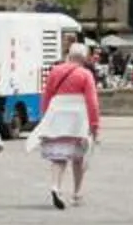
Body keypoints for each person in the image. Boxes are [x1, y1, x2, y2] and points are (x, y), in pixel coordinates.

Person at [34, 40, 102, 209]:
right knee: (79, 157)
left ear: (69, 55)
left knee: (59, 155)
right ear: (84, 58)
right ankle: (77, 193)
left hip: (57, 115)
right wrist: (94, 124)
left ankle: (55, 186)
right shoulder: (85, 74)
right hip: (77, 118)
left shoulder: (55, 71)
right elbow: (92, 102)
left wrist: (45, 116)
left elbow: (47, 95)